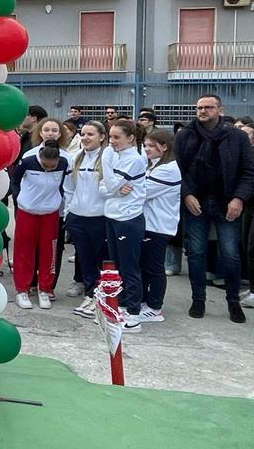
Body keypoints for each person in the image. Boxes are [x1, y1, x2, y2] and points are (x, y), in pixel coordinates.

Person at [175, 94, 254, 324]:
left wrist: (239, 198)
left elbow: (248, 172)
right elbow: (177, 170)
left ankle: (233, 302)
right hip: (196, 202)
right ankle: (198, 300)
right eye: (199, 107)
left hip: (226, 202)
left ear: (220, 110)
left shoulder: (237, 137)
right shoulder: (185, 136)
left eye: (208, 107)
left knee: (230, 255)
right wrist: (186, 194)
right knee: (196, 253)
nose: (203, 111)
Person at [99, 119, 148, 331]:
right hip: (112, 216)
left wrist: (105, 160)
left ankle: (134, 312)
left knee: (129, 266)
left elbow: (108, 183)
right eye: (111, 137)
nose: (112, 142)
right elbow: (103, 188)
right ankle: (120, 305)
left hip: (128, 219)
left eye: (117, 137)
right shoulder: (116, 155)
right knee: (116, 265)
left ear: (131, 138)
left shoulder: (134, 159)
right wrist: (114, 190)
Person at [11, 141, 68, 310]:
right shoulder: (28, 161)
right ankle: (22, 289)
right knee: (24, 250)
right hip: (27, 212)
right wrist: (18, 199)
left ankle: (45, 288)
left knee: (49, 252)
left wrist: (57, 200)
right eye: (45, 165)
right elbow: (15, 181)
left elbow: (65, 185)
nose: (49, 168)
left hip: (50, 213)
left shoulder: (64, 163)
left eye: (52, 166)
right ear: (40, 158)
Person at [64, 121, 109, 320]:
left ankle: (99, 297)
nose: (85, 138)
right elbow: (69, 188)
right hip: (77, 218)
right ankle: (90, 294)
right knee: (85, 258)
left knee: (100, 259)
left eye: (91, 134)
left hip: (99, 218)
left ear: (101, 137)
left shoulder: (108, 158)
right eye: (83, 134)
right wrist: (69, 212)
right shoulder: (76, 158)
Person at [138, 129, 181, 325]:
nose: (146, 149)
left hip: (158, 226)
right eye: (145, 145)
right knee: (146, 266)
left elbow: (141, 192)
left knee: (154, 267)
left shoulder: (168, 169)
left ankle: (154, 307)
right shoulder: (154, 166)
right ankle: (146, 301)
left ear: (164, 147)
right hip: (150, 224)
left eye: (151, 146)